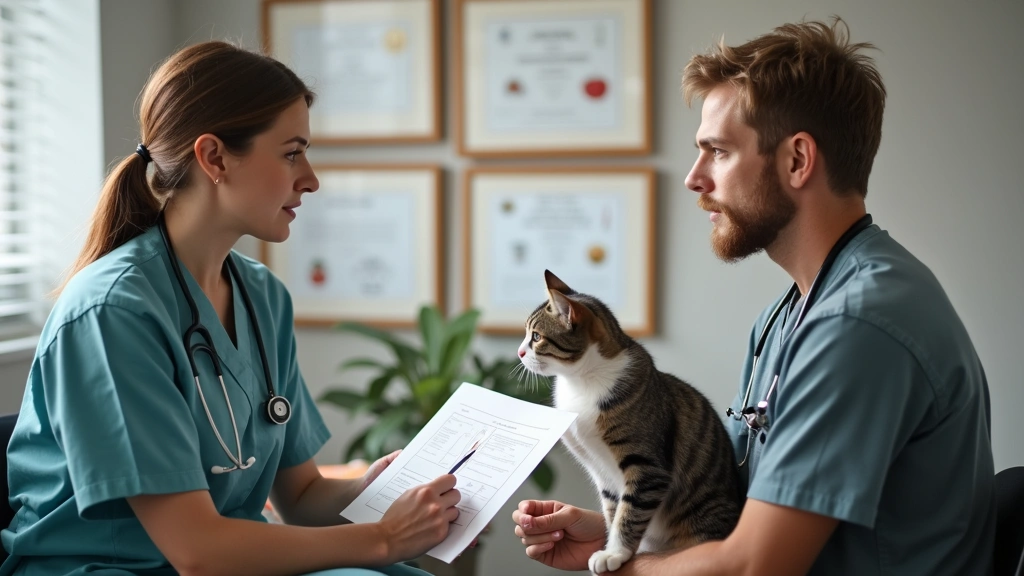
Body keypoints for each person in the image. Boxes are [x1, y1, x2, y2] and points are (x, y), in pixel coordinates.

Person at [512, 17, 996, 576]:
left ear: (796, 160)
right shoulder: (789, 314)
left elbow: (755, 566)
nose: (694, 178)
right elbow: (738, 499)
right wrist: (610, 530)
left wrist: (620, 567)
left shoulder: (858, 324)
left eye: (717, 151)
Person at [0, 41, 461, 576]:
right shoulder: (112, 311)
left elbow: (302, 496)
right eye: (292, 153)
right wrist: (381, 540)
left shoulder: (263, 296)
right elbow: (198, 551)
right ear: (214, 157)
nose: (310, 178)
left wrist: (382, 492)